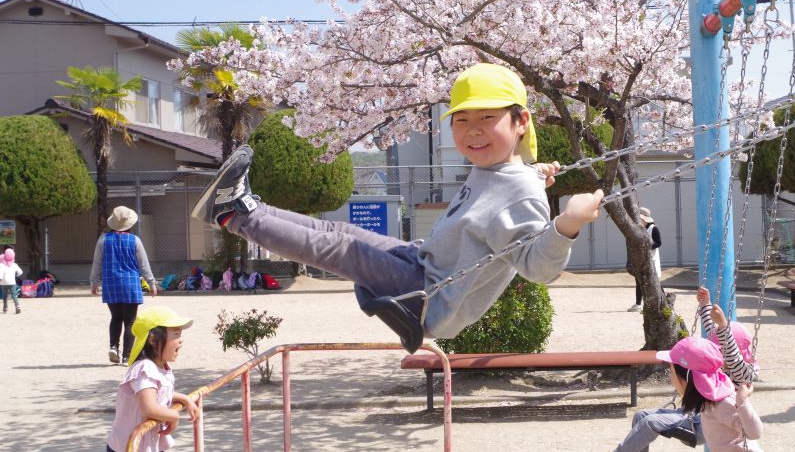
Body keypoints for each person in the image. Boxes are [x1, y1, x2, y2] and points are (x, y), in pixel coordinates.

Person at [190, 63, 604, 346]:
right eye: (462, 121)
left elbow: (538, 268)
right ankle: (247, 204)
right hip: (421, 265)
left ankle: (235, 215)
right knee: (341, 231)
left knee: (341, 250)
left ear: (520, 121)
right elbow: (512, 184)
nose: (472, 132)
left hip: (427, 297)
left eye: (487, 119)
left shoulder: (522, 193)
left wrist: (567, 223)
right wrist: (536, 171)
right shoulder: (502, 169)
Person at [584, 287, 757, 452]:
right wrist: (705, 305)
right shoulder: (714, 362)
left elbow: (733, 357)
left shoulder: (742, 375)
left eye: (722, 347)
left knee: (650, 422)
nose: (715, 350)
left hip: (706, 425)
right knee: (641, 416)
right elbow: (713, 333)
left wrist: (724, 327)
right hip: (693, 415)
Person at [106, 305, 199, 452]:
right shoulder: (144, 368)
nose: (180, 341)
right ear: (153, 340)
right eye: (175, 334)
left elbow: (160, 393)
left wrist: (183, 399)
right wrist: (173, 416)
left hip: (151, 449)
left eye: (180, 335)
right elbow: (149, 407)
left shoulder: (160, 369)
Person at [91, 206, 159, 364]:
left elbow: (97, 263)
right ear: (130, 224)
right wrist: (151, 283)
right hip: (130, 284)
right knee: (130, 321)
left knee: (115, 317)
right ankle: (127, 355)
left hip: (110, 284)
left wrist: (94, 281)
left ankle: (113, 347)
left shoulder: (103, 240)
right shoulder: (135, 240)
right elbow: (143, 264)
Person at [628, 207, 663, 312]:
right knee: (639, 281)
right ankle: (638, 304)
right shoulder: (642, 228)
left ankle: (663, 301)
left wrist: (647, 248)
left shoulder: (653, 228)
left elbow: (659, 243)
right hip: (643, 258)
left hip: (651, 259)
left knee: (654, 282)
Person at [0, 247, 23, 314]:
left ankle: (5, 308)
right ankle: (17, 306)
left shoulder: (1, 265)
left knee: (5, 295)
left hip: (3, 283)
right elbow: (20, 272)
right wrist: (15, 276)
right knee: (14, 295)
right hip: (12, 283)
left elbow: (0, 274)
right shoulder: (14, 265)